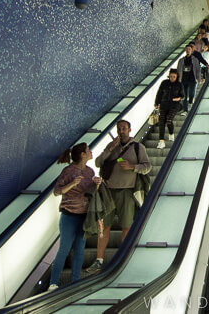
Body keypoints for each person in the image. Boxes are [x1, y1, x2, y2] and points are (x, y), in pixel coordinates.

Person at [87, 120, 151, 273]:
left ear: (129, 129)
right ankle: (99, 260)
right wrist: (109, 149)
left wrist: (132, 167)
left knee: (126, 226)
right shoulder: (112, 147)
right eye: (118, 129)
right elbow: (97, 163)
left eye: (124, 129)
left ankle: (123, 259)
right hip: (108, 192)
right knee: (104, 226)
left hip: (127, 192)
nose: (121, 131)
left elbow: (147, 166)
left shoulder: (137, 147)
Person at [49, 143, 101, 290]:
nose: (91, 152)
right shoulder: (68, 171)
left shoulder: (90, 172)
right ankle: (53, 283)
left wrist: (96, 184)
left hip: (85, 216)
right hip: (68, 216)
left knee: (80, 249)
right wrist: (72, 184)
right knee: (64, 249)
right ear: (82, 155)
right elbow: (57, 191)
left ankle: (75, 283)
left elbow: (90, 193)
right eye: (88, 150)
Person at [154, 68, 183, 149]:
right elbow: (159, 93)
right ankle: (161, 141)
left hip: (174, 105)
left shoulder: (179, 84)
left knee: (169, 121)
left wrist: (177, 98)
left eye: (174, 77)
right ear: (169, 76)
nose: (172, 78)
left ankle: (171, 133)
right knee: (161, 122)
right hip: (164, 104)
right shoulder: (164, 83)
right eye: (171, 76)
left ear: (177, 76)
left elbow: (182, 95)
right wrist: (156, 103)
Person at [177, 44, 201, 114]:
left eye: (189, 49)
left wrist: (199, 78)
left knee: (191, 93)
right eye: (187, 49)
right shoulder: (181, 60)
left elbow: (198, 69)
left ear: (192, 50)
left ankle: (190, 103)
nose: (188, 51)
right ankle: (185, 110)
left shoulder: (195, 60)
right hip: (183, 79)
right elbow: (178, 70)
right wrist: (178, 79)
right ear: (185, 50)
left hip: (192, 79)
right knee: (184, 95)